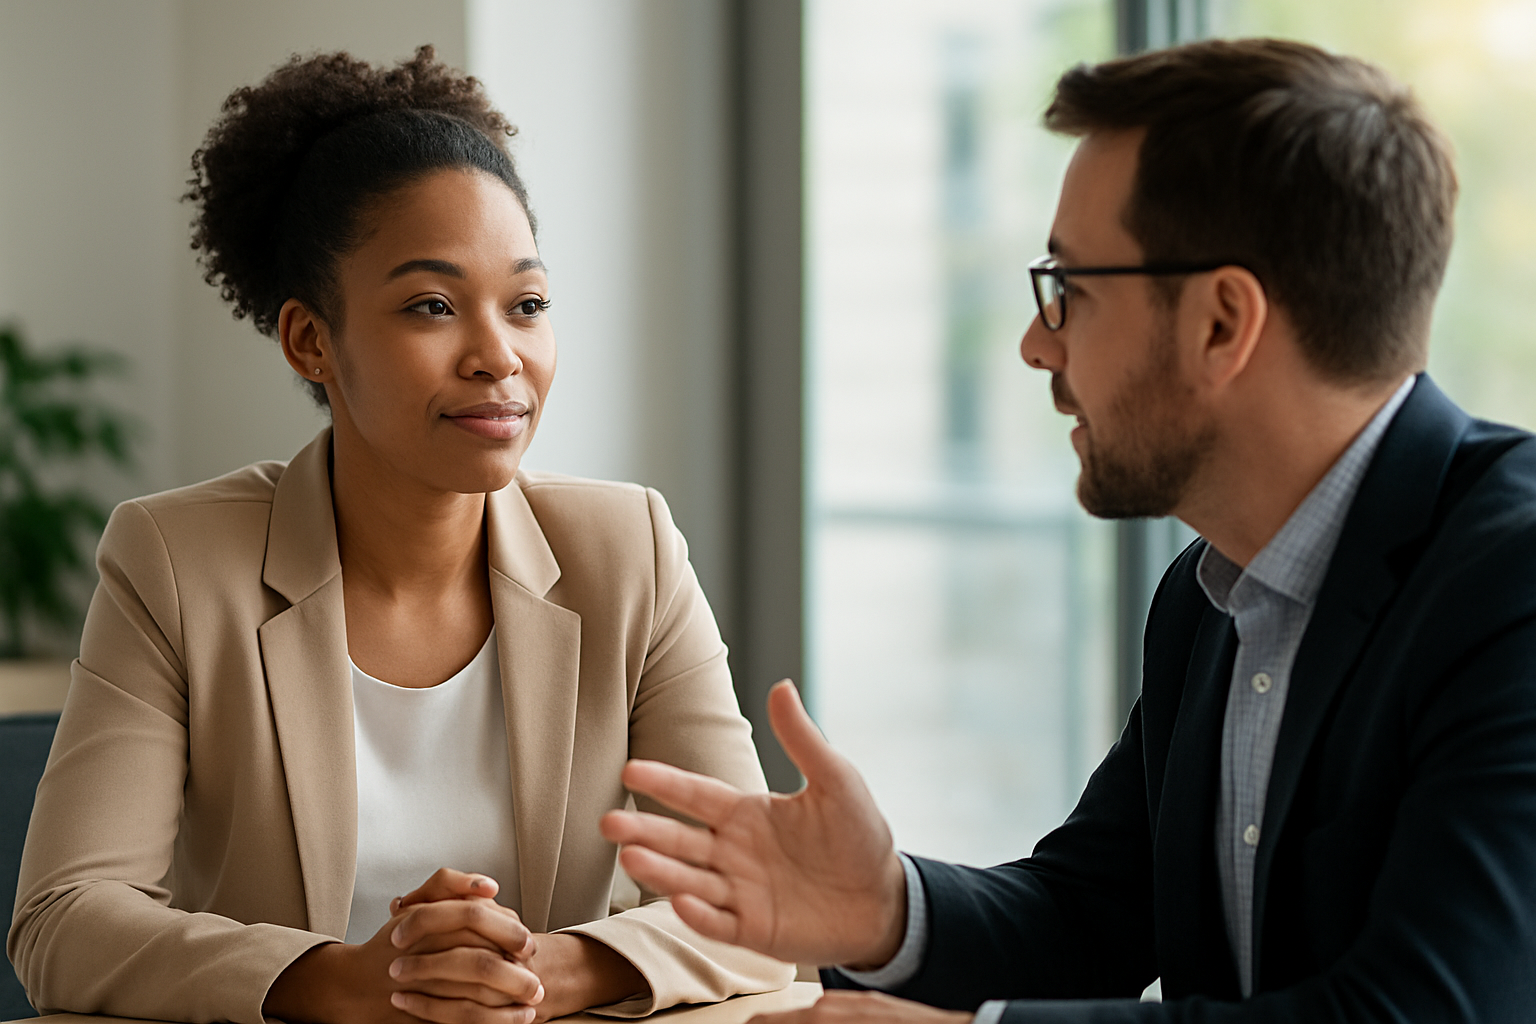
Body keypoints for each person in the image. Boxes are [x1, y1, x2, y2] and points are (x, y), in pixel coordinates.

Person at [599, 38, 1536, 1024]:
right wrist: (885, 909)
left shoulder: (1512, 583)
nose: (1035, 342)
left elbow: (1433, 1008)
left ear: (1223, 322)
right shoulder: (1210, 596)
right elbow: (1091, 914)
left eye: (1070, 291)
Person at [7, 47, 791, 1024]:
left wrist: (548, 970)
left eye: (529, 304)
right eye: (431, 305)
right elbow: (63, 920)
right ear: (311, 340)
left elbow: (762, 906)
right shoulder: (175, 562)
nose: (498, 355)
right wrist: (348, 980)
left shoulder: (626, 549)